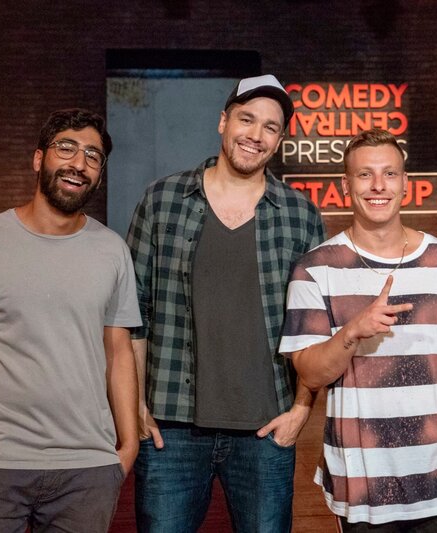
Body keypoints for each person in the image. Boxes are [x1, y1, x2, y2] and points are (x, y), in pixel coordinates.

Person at [0, 108, 141, 532]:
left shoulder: (112, 252)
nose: (79, 163)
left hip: (86, 467)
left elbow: (118, 349)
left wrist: (126, 447)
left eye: (93, 156)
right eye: (66, 148)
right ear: (39, 159)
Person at [127, 74, 326, 532]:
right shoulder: (163, 201)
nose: (255, 135)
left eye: (270, 127)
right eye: (246, 119)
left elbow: (315, 327)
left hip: (266, 428)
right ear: (223, 122)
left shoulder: (300, 215)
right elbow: (131, 314)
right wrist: (134, 405)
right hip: (170, 429)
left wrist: (301, 410)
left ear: (279, 140)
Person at [280, 128, 437, 531]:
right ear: (346, 186)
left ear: (405, 184)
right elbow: (309, 373)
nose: (378, 185)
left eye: (389, 174)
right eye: (364, 175)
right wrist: (352, 332)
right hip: (364, 488)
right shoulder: (315, 269)